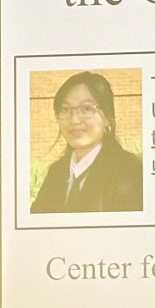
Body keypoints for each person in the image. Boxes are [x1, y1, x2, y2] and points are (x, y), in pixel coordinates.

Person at [30, 71, 143, 213]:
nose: (74, 120)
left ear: (108, 117)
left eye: (86, 109)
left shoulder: (129, 171)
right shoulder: (56, 173)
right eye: (65, 109)